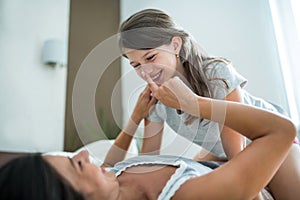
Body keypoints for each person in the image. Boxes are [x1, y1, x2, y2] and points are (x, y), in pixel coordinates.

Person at [104, 8, 300, 199]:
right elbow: (148, 162)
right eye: (136, 65)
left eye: (151, 57)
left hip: (271, 142)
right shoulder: (156, 100)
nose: (145, 72)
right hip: (220, 151)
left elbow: (236, 153)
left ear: (175, 45)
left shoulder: (217, 74)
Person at [0, 79, 297, 199]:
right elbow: (281, 131)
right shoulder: (182, 196)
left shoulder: (115, 180)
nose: (82, 155)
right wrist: (194, 104)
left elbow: (110, 161)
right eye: (77, 166)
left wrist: (137, 117)